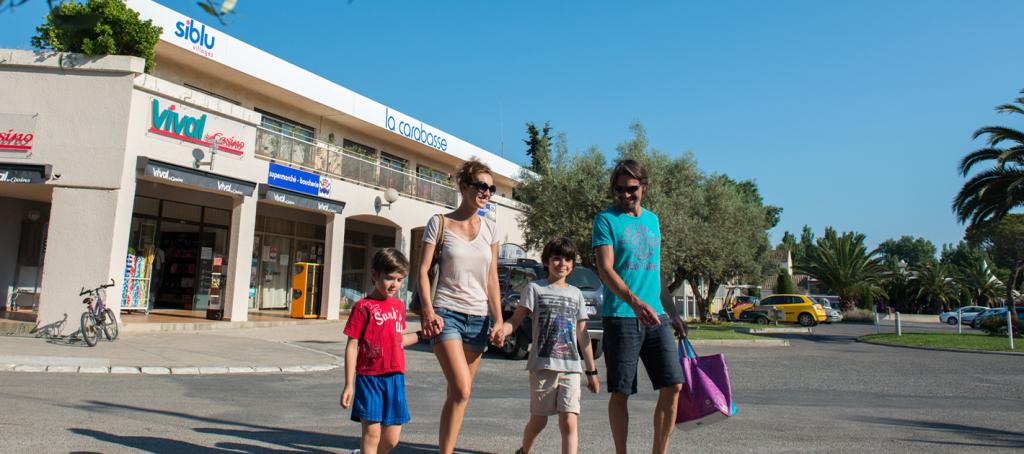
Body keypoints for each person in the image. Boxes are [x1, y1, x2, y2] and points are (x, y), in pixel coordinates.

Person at [591, 159, 688, 454]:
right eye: (618, 190)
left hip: (656, 317)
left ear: (643, 188)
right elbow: (605, 269)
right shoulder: (605, 220)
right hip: (622, 316)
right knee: (621, 392)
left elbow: (655, 270)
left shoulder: (652, 221)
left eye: (631, 189)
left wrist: (672, 313)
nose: (624, 195)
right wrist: (633, 302)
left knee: (673, 385)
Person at [417, 158, 506, 454]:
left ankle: (446, 449)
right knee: (462, 388)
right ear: (464, 186)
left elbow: (492, 278)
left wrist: (498, 319)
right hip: (447, 315)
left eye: (491, 188)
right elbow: (423, 270)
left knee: (458, 395)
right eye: (482, 186)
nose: (487, 192)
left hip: (479, 319)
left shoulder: (491, 229)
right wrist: (428, 311)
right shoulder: (439, 222)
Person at [503, 237, 600, 454]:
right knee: (539, 422)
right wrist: (503, 330)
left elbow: (583, 335)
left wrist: (591, 371)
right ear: (546, 261)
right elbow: (516, 320)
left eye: (567, 260)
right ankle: (524, 451)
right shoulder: (535, 289)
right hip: (543, 367)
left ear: (572, 265)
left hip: (571, 368)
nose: (562, 264)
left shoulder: (576, 294)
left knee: (569, 422)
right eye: (557, 259)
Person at [340, 248, 421, 454]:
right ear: (375, 275)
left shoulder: (398, 306)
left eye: (400, 279)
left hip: (395, 377)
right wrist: (349, 384)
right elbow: (352, 345)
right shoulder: (363, 307)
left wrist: (423, 335)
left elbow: (398, 340)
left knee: (392, 439)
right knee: (372, 434)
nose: (395, 284)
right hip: (369, 378)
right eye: (389, 278)